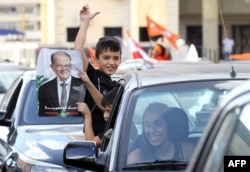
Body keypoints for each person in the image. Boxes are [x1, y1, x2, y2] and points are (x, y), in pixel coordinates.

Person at [75, 4, 122, 136]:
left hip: (111, 139)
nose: (111, 63)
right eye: (106, 58)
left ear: (120, 60)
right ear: (96, 59)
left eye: (115, 58)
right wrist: (85, 22)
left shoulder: (116, 85)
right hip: (95, 140)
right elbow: (78, 50)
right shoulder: (92, 76)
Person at [127, 104, 194, 164]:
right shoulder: (135, 158)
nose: (152, 130)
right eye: (147, 125)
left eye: (158, 124)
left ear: (168, 125)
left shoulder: (188, 151)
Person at [38, 51, 84, 117]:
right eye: (59, 65)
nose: (63, 69)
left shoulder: (83, 86)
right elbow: (42, 115)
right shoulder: (44, 89)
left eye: (66, 65)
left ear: (70, 66)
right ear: (52, 67)